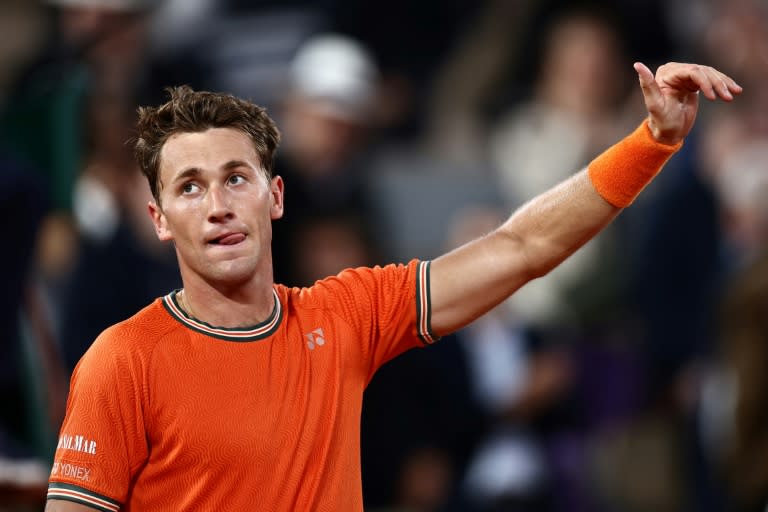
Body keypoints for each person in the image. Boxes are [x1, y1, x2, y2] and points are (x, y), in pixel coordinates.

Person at [45, 61, 740, 511]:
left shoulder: (347, 314)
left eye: (235, 177)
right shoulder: (122, 360)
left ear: (275, 196)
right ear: (160, 220)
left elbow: (523, 246)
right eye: (190, 188)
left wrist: (652, 140)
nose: (218, 204)